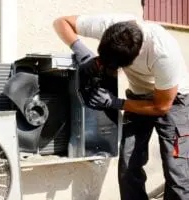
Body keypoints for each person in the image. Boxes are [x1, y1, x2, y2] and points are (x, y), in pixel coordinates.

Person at [53, 13, 189, 200]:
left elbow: (161, 107)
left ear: (132, 59)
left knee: (177, 172)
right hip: (138, 95)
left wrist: (116, 103)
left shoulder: (163, 52)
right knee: (128, 167)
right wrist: (81, 51)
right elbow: (61, 22)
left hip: (173, 101)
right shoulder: (110, 25)